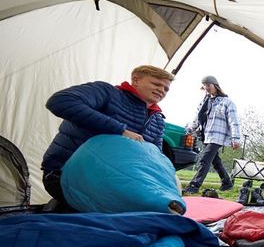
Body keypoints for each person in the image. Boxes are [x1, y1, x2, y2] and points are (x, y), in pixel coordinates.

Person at [41, 65, 173, 210]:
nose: (162, 90)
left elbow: (155, 159)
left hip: (114, 180)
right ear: (136, 80)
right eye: (156, 84)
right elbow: (60, 101)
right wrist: (120, 130)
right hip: (66, 172)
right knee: (118, 216)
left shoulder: (157, 120)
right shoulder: (107, 93)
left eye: (166, 89)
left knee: (152, 213)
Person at [183, 75, 241, 194]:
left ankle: (194, 186)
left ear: (215, 86)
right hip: (206, 136)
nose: (206, 89)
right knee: (215, 161)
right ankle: (227, 182)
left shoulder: (227, 103)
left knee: (204, 160)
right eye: (204, 87)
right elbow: (197, 119)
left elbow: (234, 121)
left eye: (208, 86)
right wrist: (190, 128)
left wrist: (236, 139)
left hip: (217, 136)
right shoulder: (204, 102)